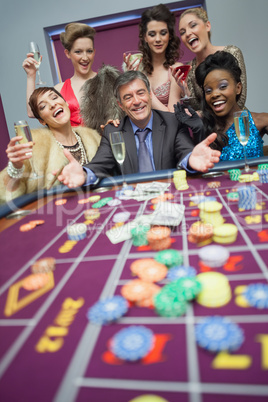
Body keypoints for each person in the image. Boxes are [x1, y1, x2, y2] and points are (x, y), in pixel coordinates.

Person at [56, 71, 221, 189]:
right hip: (133, 203)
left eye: (140, 93)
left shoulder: (172, 122)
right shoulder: (113, 131)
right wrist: (84, 174)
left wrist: (191, 159)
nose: (136, 101)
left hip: (169, 197)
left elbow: (184, 151)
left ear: (150, 94)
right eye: (128, 97)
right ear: (120, 104)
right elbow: (99, 165)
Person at [0, 87, 100, 203]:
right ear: (42, 121)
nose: (52, 104)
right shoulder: (35, 147)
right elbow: (7, 194)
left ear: (66, 103)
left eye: (54, 97)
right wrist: (15, 168)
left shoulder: (93, 137)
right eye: (43, 106)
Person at [193, 51, 267, 160]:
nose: (215, 94)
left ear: (238, 88)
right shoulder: (204, 127)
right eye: (208, 90)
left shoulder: (259, 121)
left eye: (222, 86)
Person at [23, 23, 96, 126]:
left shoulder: (108, 81)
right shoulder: (60, 89)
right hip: (77, 141)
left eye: (89, 51)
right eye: (78, 52)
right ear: (67, 53)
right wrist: (31, 75)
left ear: (94, 52)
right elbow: (32, 112)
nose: (85, 57)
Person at [175, 7, 247, 111]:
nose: (187, 33)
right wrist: (185, 89)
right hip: (211, 127)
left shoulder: (231, 52)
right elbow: (197, 108)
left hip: (238, 122)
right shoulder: (190, 68)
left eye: (193, 25)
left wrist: (207, 116)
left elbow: (240, 100)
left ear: (207, 26)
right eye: (182, 32)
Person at [124, 4, 183, 112]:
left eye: (163, 33)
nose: (158, 39)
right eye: (152, 34)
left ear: (169, 36)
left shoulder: (176, 70)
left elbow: (173, 115)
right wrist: (131, 79)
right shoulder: (139, 70)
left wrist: (146, 88)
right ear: (145, 37)